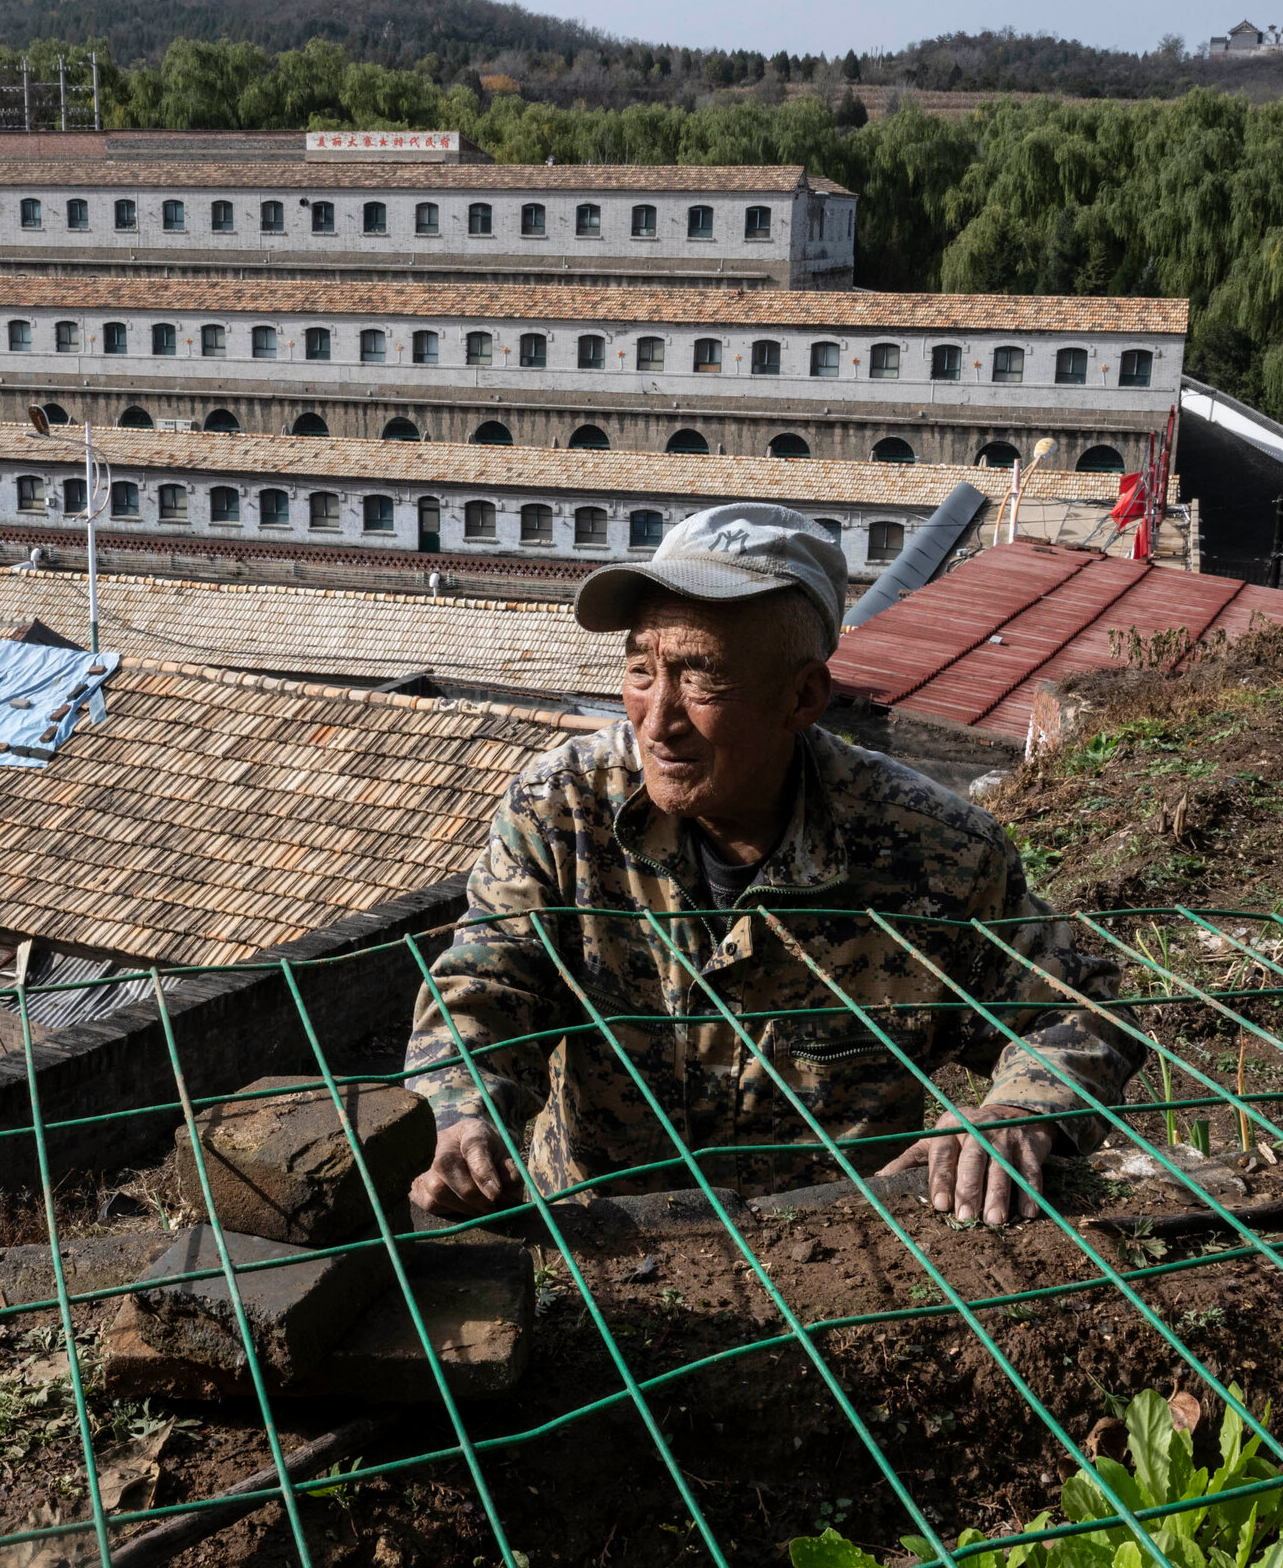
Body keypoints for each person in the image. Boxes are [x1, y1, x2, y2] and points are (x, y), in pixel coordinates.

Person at [405, 505, 1142, 1226]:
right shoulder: (566, 806)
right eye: (639, 669)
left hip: (839, 1255)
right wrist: (463, 1111)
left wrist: (1016, 1114)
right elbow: (490, 979)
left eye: (703, 680)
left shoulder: (934, 850)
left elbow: (1077, 1010)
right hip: (602, 1245)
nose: (656, 719)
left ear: (803, 697)